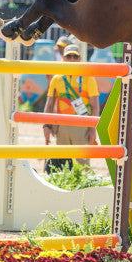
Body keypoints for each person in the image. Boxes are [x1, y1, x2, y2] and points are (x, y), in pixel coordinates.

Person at [42, 43, 100, 173]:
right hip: (62, 126)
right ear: (63, 58)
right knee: (62, 165)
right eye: (69, 56)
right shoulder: (56, 79)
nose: (72, 59)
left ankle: (85, 192)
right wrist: (46, 125)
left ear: (80, 59)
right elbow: (49, 104)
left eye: (75, 56)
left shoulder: (88, 78)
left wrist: (92, 129)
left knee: (83, 166)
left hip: (82, 126)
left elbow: (95, 105)